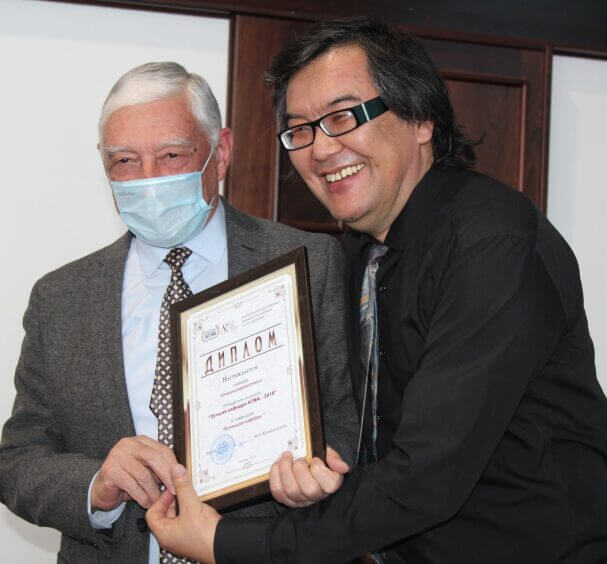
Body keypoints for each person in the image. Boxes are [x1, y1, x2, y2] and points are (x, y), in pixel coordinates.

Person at [145, 18, 607, 564]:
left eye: (343, 117)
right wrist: (316, 466)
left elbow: (428, 475)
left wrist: (228, 543)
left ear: (420, 119)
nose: (321, 149)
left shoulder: (492, 244)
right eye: (300, 130)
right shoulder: (354, 257)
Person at [0, 62, 358, 563]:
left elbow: (348, 421)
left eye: (171, 155)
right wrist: (96, 485)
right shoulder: (60, 298)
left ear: (221, 152)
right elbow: (18, 459)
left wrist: (317, 475)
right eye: (125, 161)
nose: (148, 179)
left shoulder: (307, 262)